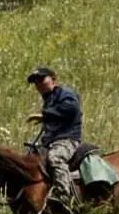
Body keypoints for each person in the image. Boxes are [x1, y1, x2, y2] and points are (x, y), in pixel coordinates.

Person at [25, 67, 83, 205]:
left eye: (42, 79)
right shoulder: (49, 99)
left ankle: (63, 194)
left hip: (67, 139)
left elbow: (72, 108)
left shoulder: (65, 93)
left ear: (53, 79)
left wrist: (45, 115)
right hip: (50, 141)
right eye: (36, 82)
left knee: (55, 158)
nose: (39, 84)